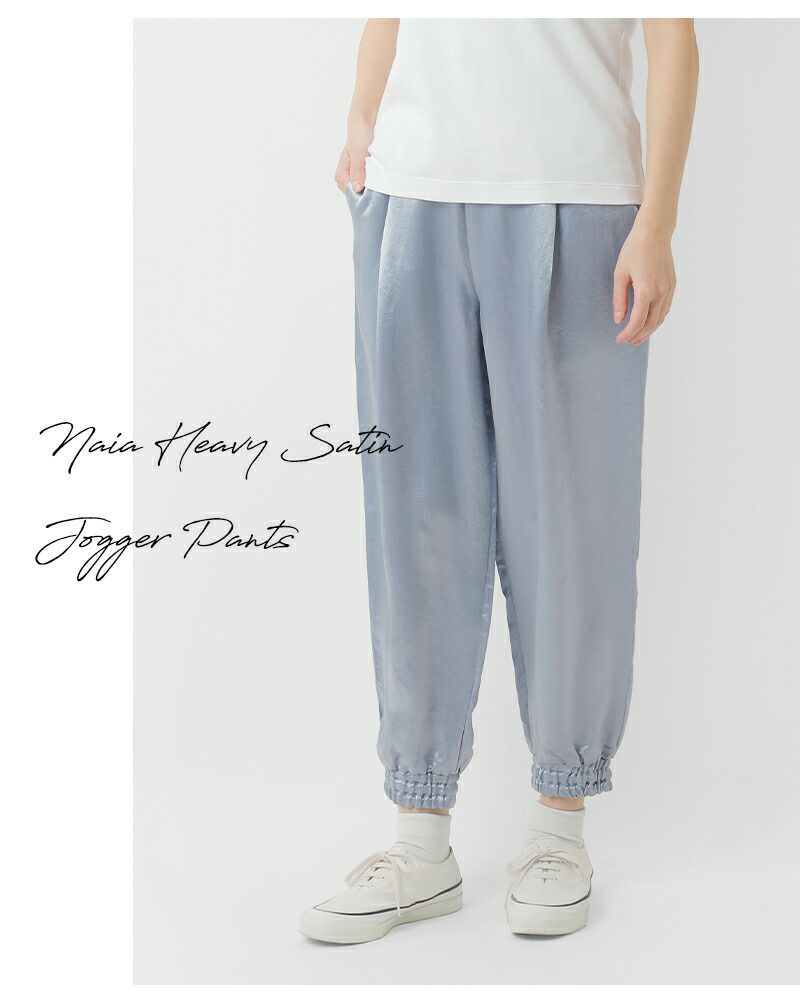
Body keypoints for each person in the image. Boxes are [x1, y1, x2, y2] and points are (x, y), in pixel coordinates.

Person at [300, 17, 698, 944]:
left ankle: (560, 829)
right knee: (415, 524)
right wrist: (361, 116)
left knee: (572, 527)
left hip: (577, 197)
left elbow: (674, 38)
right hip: (412, 197)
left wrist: (658, 222)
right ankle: (419, 838)